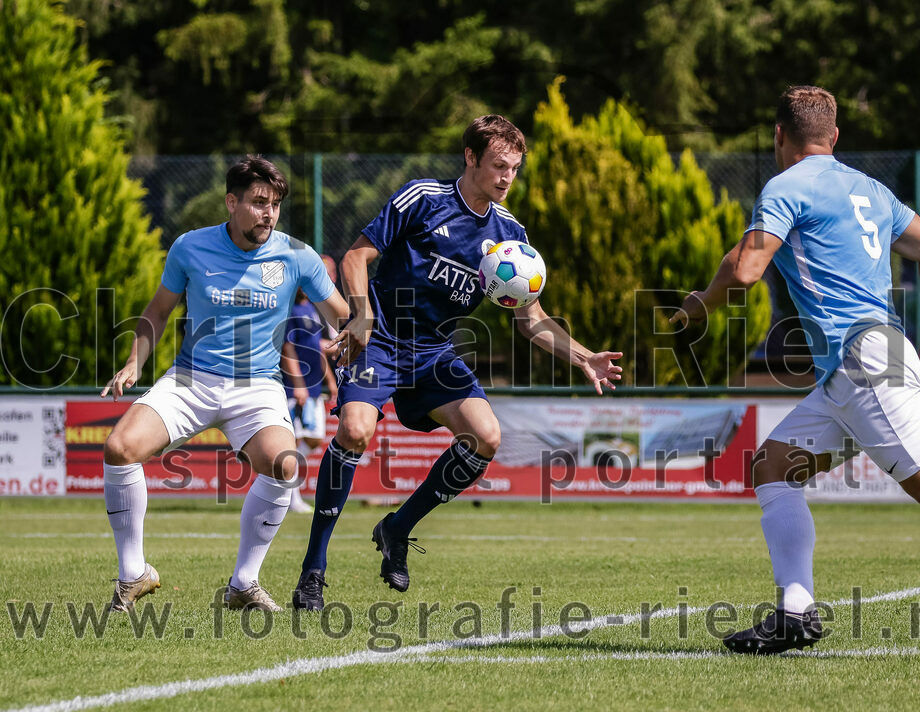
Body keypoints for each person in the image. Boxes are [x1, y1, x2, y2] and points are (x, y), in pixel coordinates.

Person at [671, 85, 920, 655]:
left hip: (864, 364)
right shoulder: (872, 190)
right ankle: (795, 612)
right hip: (858, 367)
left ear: (779, 136)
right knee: (772, 467)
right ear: (834, 137)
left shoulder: (785, 186)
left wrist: (698, 304)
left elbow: (744, 270)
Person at [292, 115, 623, 609]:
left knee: (486, 436)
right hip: (379, 340)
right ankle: (313, 571)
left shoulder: (511, 234)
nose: (507, 177)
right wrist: (360, 318)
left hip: (434, 353)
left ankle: (397, 528)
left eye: (514, 167)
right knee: (355, 431)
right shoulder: (423, 198)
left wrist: (583, 357)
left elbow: (531, 319)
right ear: (470, 158)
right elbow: (356, 257)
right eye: (498, 165)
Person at [101, 156, 350, 613]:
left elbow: (341, 314)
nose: (268, 213)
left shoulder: (297, 255)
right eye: (258, 202)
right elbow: (157, 311)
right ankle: (133, 574)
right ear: (231, 202)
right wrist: (133, 363)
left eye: (274, 204)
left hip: (258, 388)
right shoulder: (189, 247)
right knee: (119, 448)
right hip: (191, 379)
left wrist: (349, 338)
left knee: (286, 465)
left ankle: (243, 583)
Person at [281, 287, 339, 513]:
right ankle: (291, 498)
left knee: (315, 438)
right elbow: (287, 348)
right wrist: (298, 385)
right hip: (295, 388)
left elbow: (317, 348)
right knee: (292, 441)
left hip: (315, 387)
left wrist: (331, 380)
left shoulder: (311, 308)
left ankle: (282, 477)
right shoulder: (289, 310)